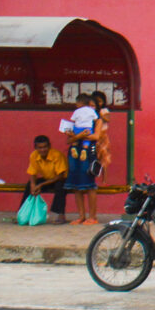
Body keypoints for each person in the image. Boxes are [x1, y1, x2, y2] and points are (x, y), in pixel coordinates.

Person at [63, 92, 99, 225]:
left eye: (93, 106)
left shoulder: (97, 120)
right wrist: (78, 136)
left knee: (89, 185)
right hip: (74, 153)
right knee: (76, 185)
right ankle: (81, 216)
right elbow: (69, 139)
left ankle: (93, 216)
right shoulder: (76, 120)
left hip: (89, 152)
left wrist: (77, 136)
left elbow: (95, 137)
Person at [25, 134, 68, 223]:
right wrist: (33, 185)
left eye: (45, 147)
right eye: (40, 148)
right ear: (35, 148)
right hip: (47, 179)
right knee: (29, 185)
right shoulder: (34, 155)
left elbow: (60, 176)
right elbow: (32, 173)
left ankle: (60, 215)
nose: (42, 150)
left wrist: (40, 185)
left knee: (60, 186)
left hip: (61, 179)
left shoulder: (57, 155)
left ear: (49, 146)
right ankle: (24, 213)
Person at [90, 90, 113, 185]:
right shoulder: (90, 111)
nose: (98, 103)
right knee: (93, 156)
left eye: (100, 101)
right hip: (94, 135)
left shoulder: (104, 111)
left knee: (104, 158)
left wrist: (99, 113)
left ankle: (104, 180)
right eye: (96, 101)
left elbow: (108, 119)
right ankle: (92, 178)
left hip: (102, 136)